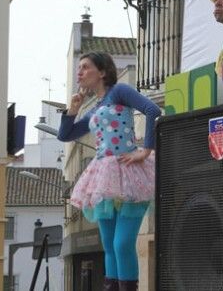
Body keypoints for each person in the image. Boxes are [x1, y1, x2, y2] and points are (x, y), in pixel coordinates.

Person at [57, 52, 161, 291]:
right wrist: (73, 109)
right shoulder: (94, 108)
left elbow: (152, 110)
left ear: (102, 72)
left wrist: (146, 150)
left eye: (85, 67)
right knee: (109, 244)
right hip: (103, 176)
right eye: (78, 68)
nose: (79, 72)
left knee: (122, 243)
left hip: (131, 172)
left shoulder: (119, 91)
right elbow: (65, 135)